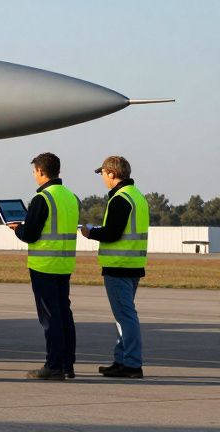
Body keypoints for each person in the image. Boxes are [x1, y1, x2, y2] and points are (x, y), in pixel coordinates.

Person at [7, 152, 78, 380]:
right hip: (64, 263)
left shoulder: (42, 198)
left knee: (50, 318)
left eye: (34, 172)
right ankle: (67, 364)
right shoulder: (71, 197)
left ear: (40, 171)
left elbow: (30, 234)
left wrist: (17, 228)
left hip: (44, 265)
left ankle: (54, 366)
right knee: (64, 314)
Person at [81, 155, 148, 379]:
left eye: (103, 173)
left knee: (125, 317)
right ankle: (122, 360)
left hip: (119, 265)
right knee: (123, 316)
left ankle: (132, 363)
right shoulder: (137, 196)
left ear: (112, 173)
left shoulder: (121, 198)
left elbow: (112, 232)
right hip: (133, 264)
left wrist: (91, 233)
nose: (102, 178)